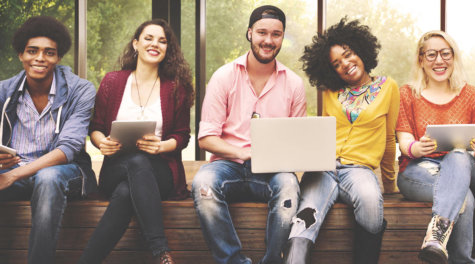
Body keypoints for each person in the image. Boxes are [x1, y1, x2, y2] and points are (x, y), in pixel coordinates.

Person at [192, 5, 306, 264]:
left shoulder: (294, 84)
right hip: (227, 166)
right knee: (203, 184)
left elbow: (298, 141)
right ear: (249, 33)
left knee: (289, 185)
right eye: (262, 32)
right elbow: (206, 138)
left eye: (276, 34)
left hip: (272, 171)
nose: (268, 40)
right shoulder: (223, 77)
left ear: (282, 37)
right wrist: (243, 152)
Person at [77, 19, 193, 264]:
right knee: (129, 174)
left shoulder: (176, 87)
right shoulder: (112, 81)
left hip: (160, 171)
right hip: (115, 169)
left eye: (162, 41)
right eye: (149, 38)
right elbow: (96, 128)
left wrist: (163, 145)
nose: (155, 44)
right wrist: (102, 143)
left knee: (127, 187)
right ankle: (161, 251)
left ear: (167, 49)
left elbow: (183, 135)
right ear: (136, 44)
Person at [283, 18, 398, 264]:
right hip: (323, 168)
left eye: (348, 55)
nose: (345, 64)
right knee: (305, 216)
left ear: (361, 51)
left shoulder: (389, 88)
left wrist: (390, 183)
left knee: (370, 200)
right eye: (336, 63)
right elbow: (321, 133)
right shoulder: (329, 92)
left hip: (359, 169)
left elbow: (389, 139)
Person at [0, 16, 96, 264]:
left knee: (48, 176)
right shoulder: (4, 92)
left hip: (65, 173)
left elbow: (69, 148)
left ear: (58, 57)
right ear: (21, 54)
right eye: (32, 51)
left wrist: (11, 175)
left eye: (49, 53)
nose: (40, 58)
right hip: (15, 169)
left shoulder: (81, 90)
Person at [395, 30, 475, 264]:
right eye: (431, 55)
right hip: (419, 170)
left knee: (458, 155)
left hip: (467, 169)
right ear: (421, 60)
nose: (439, 61)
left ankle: (436, 234)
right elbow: (405, 140)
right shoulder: (407, 94)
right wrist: (416, 148)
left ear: (454, 57)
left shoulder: (472, 95)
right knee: (464, 199)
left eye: (445, 54)